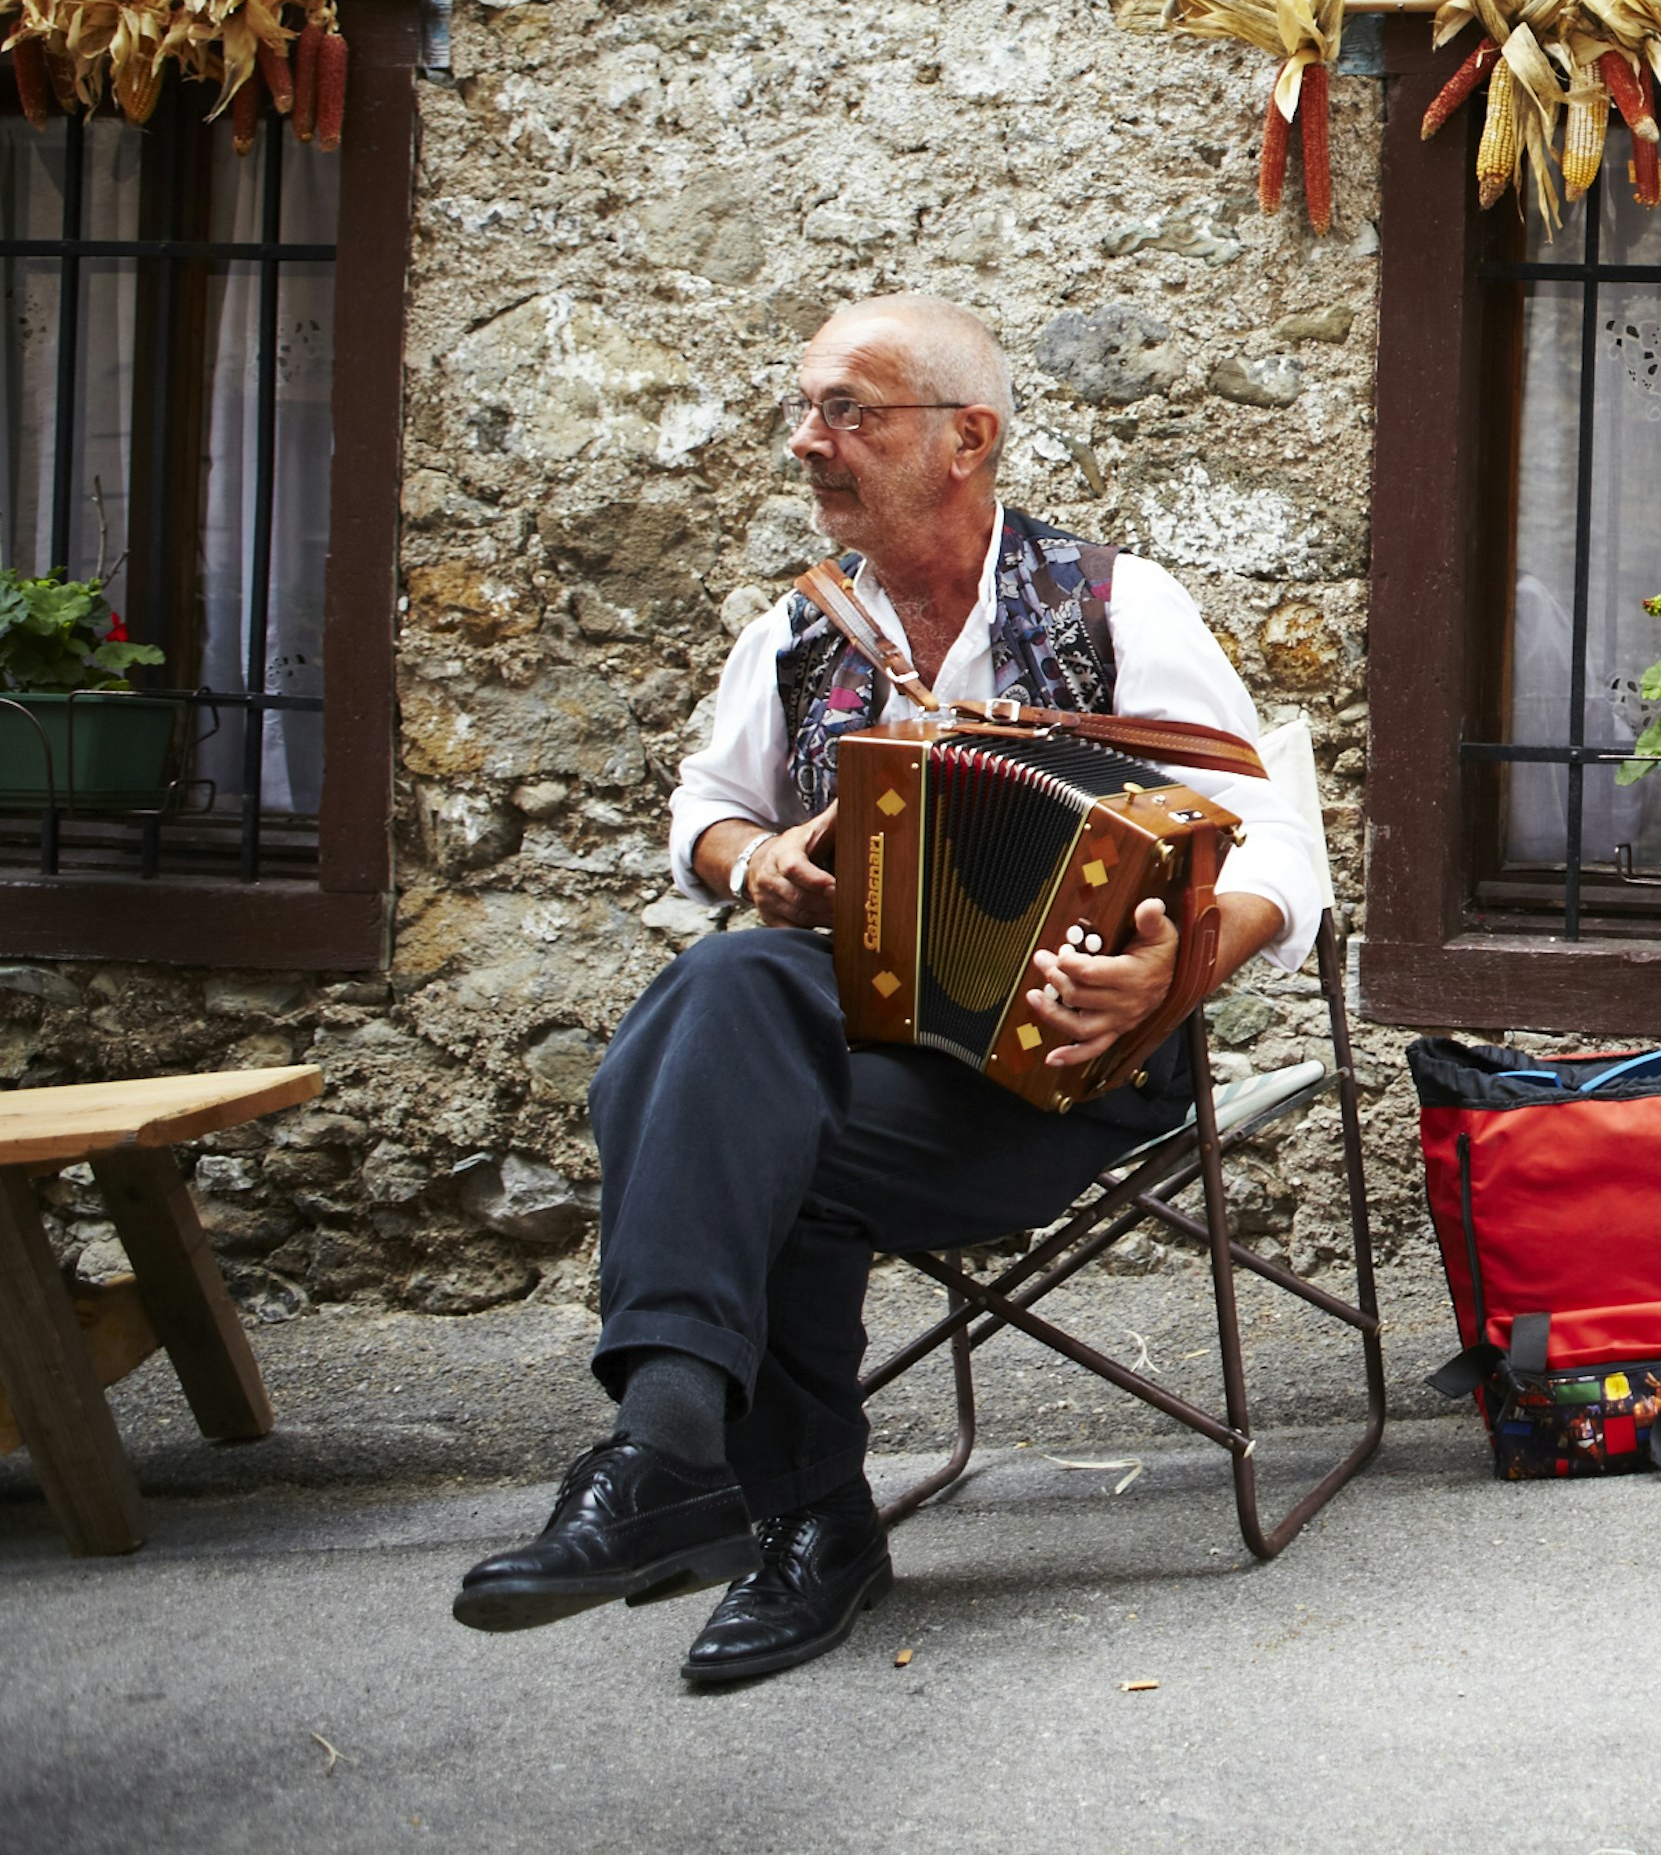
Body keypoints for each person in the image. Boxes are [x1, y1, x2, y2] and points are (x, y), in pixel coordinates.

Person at [451, 292, 1327, 1685]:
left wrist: (1184, 961)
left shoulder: (1111, 606)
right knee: (747, 994)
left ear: (965, 439)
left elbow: (1274, 834)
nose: (809, 441)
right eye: (803, 410)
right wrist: (761, 865)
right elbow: (705, 813)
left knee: (721, 1061)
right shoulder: (800, 638)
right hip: (855, 1071)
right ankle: (760, 1497)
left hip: (1057, 1086)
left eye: (846, 413)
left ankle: (731, 1484)